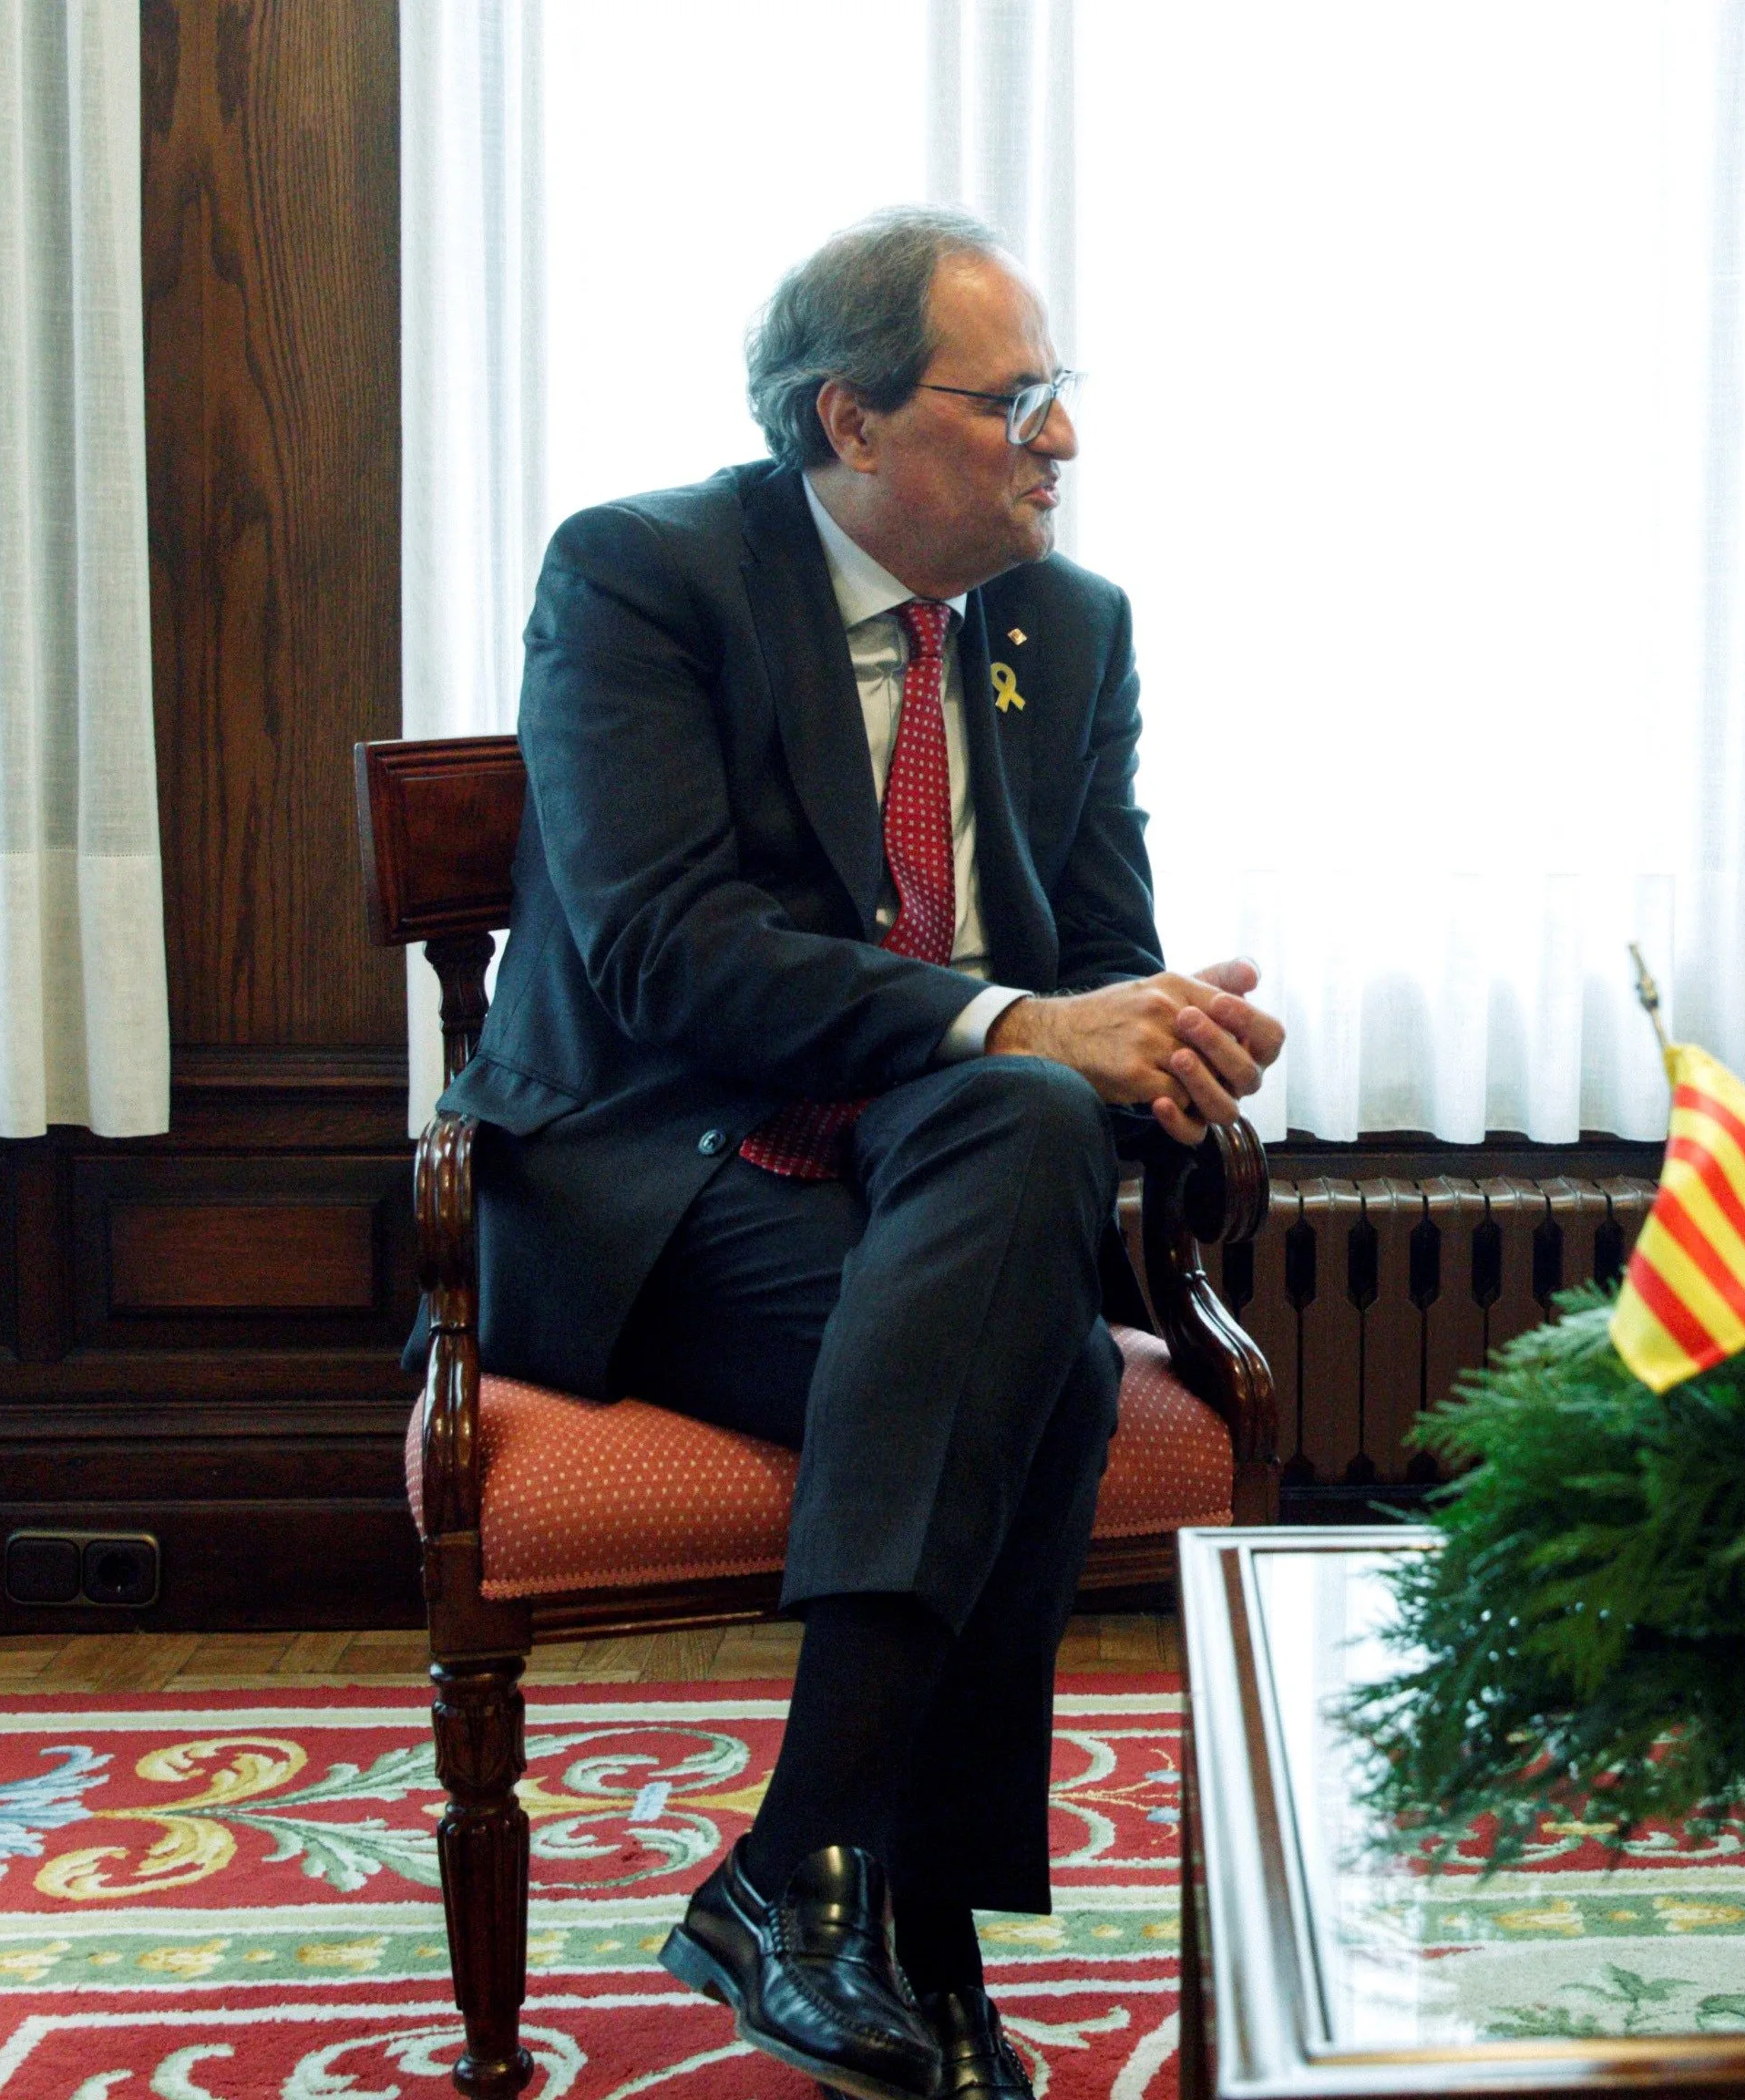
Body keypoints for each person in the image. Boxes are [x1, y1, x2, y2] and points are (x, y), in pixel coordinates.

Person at [440, 207, 1283, 2100]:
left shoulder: (1067, 627)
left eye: (1060, 396)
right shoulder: (644, 578)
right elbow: (659, 953)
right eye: (1017, 400)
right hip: (663, 1181)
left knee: (1015, 1115)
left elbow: (1078, 962)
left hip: (938, 1193)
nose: (1061, 438)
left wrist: (1163, 1036)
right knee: (1041, 1362)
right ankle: (920, 1917)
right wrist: (1014, 1029)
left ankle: (808, 1870)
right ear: (850, 422)